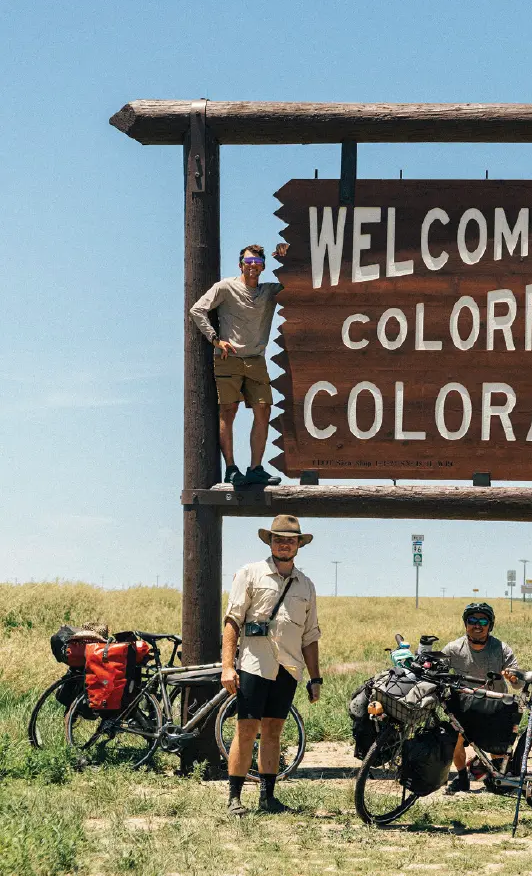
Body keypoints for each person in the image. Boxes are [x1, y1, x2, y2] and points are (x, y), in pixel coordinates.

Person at [222, 514, 322, 815]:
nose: (284, 544)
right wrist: (228, 666)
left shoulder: (306, 585)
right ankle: (234, 797)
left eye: (290, 540)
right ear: (270, 542)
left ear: (298, 546)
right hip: (255, 664)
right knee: (246, 729)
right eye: (278, 539)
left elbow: (310, 635)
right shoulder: (250, 574)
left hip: (288, 668)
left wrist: (315, 678)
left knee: (274, 731)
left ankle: (268, 797)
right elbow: (232, 621)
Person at [189, 243, 287, 487]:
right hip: (228, 358)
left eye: (257, 263)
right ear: (240, 264)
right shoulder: (226, 287)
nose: (252, 267)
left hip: (256, 358)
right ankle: (231, 469)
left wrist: (288, 259)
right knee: (228, 411)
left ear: (263, 266)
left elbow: (297, 285)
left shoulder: (269, 291)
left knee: (264, 409)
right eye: (248, 262)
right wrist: (215, 339)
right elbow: (197, 310)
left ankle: (255, 468)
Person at [442, 602, 519, 793]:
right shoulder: (453, 648)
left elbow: (518, 683)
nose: (477, 625)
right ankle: (461, 777)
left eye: (483, 620)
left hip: (494, 706)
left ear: (490, 625)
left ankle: (493, 774)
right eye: (472, 620)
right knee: (453, 740)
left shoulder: (501, 649)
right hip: (464, 706)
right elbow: (438, 670)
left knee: (497, 748)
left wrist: (513, 677)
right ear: (465, 623)